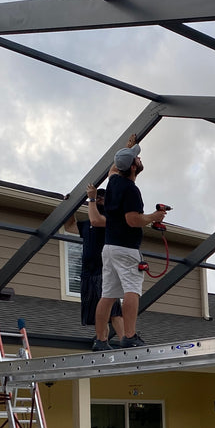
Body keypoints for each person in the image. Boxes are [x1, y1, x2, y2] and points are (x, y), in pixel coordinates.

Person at [92, 142, 170, 351]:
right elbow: (133, 220)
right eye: (137, 158)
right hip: (126, 248)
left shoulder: (114, 182)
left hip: (109, 248)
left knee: (107, 294)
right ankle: (129, 335)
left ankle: (100, 340)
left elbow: (113, 168)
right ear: (133, 167)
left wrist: (128, 147)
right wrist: (154, 217)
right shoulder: (131, 190)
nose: (140, 159)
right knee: (132, 289)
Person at [77, 186, 125, 347]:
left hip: (104, 269)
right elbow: (69, 225)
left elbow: (95, 220)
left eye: (101, 198)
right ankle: (101, 340)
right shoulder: (86, 224)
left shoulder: (111, 219)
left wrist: (90, 199)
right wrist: (72, 204)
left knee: (114, 309)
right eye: (98, 198)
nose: (98, 200)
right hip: (88, 272)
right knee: (99, 310)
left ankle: (125, 340)